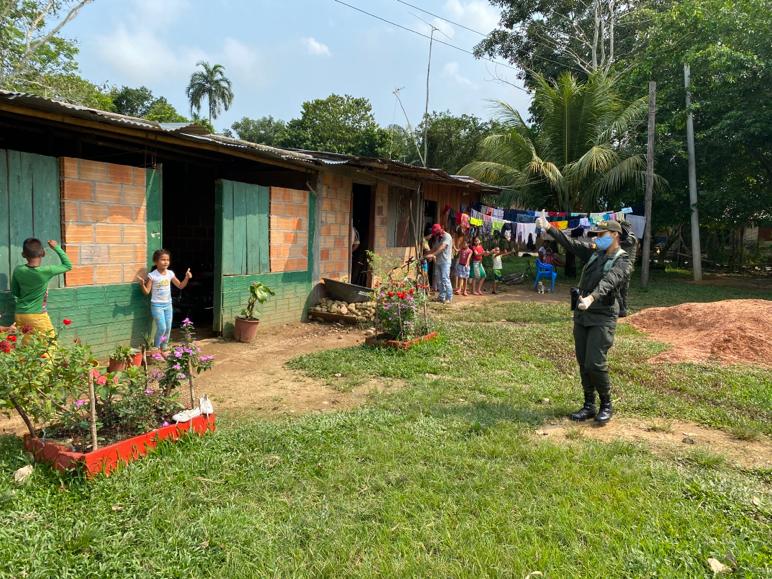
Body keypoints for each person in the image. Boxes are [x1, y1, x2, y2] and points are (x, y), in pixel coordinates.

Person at [535, 217, 630, 425]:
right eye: (596, 235)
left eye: (602, 234)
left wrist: (591, 298)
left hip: (603, 315)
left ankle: (606, 405)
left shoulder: (623, 260)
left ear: (615, 235)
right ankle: (589, 405)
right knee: (583, 361)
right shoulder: (594, 253)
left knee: (595, 362)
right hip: (583, 313)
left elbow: (609, 281)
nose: (597, 238)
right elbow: (571, 243)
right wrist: (549, 227)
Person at [11, 238, 72, 335]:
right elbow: (68, 265)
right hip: (37, 315)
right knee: (49, 342)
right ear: (43, 253)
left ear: (23, 254)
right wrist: (56, 247)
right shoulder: (46, 271)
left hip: (20, 314)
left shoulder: (18, 270)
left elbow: (15, 292)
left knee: (27, 343)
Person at [137, 249, 192, 352]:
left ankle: (164, 347)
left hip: (168, 305)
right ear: (156, 261)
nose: (166, 262)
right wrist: (142, 285)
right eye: (163, 260)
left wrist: (187, 278)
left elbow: (180, 286)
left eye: (167, 260)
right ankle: (156, 348)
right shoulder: (152, 275)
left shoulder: (170, 273)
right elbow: (147, 292)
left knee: (168, 328)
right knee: (162, 328)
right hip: (156, 306)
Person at [423, 224, 453, 303]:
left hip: (445, 262)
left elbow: (442, 247)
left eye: (435, 232)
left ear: (440, 230)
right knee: (439, 280)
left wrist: (432, 255)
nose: (435, 234)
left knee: (445, 279)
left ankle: (449, 297)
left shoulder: (447, 236)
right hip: (439, 261)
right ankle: (441, 297)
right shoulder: (438, 238)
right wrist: (425, 255)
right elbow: (435, 248)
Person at [618, 220, 638, 317]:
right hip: (622, 264)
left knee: (623, 289)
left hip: (627, 265)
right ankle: (621, 308)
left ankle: (623, 309)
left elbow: (628, 242)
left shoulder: (631, 236)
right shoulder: (626, 236)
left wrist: (617, 242)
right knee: (620, 288)